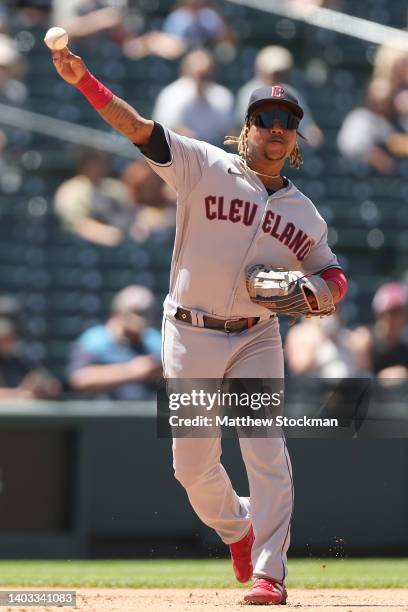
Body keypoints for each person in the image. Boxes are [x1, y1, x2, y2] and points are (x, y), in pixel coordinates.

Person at [50, 46, 348, 605]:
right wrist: (85, 81)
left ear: (297, 141)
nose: (276, 129)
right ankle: (238, 528)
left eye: (287, 123)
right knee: (191, 467)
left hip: (258, 335)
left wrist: (318, 294)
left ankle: (270, 573)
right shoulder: (202, 163)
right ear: (246, 128)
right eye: (265, 119)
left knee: (265, 448)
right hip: (189, 331)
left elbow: (332, 273)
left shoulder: (305, 215)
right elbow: (138, 128)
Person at [67, 285, 162, 400]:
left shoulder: (154, 340)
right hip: (104, 414)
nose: (140, 319)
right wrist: (132, 371)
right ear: (118, 312)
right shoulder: (95, 340)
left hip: (147, 413)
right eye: (137, 312)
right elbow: (79, 380)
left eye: (146, 313)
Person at [236, 46, 323, 147]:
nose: (278, 76)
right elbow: (248, 127)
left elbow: (308, 128)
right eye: (275, 73)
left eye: (281, 72)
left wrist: (311, 134)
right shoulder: (249, 92)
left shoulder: (290, 92)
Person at [152, 48, 234, 145]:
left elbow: (227, 132)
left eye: (205, 74)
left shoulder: (222, 95)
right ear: (185, 70)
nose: (201, 79)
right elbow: (162, 130)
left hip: (215, 150)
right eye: (199, 74)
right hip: (179, 150)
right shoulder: (171, 94)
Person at [54, 147, 132, 247]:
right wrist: (105, 234)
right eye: (97, 161)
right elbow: (76, 223)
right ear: (84, 163)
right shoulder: (72, 189)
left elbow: (133, 209)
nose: (103, 165)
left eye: (104, 161)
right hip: (83, 247)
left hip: (121, 242)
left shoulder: (112, 186)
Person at [350, 282, 408, 380]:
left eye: (397, 312)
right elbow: (360, 379)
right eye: (389, 311)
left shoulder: (405, 344)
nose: (391, 317)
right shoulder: (364, 339)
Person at [0, 316, 60, 401]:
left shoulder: (19, 358)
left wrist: (43, 387)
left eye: (10, 338)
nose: (8, 343)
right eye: (4, 339)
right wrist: (19, 393)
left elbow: (53, 385)